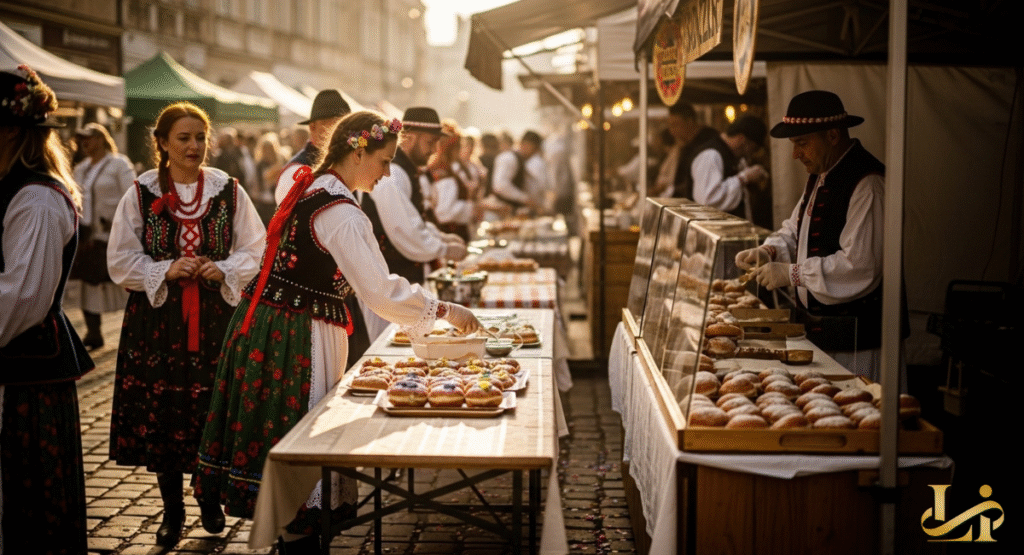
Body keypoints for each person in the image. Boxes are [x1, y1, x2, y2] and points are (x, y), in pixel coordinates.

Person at [192, 111, 484, 553]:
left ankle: (296, 533)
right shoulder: (340, 211)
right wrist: (446, 310)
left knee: (292, 442)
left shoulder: (316, 185)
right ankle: (300, 539)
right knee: (304, 440)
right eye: (384, 162)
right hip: (297, 334)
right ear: (357, 150)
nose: (388, 173)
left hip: (276, 325)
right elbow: (380, 292)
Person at [106, 101, 266, 547]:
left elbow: (256, 245)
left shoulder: (227, 190)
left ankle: (208, 494)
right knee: (166, 414)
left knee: (210, 408)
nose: (195, 146)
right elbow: (119, 259)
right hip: (158, 321)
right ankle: (172, 511)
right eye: (184, 138)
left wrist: (226, 268)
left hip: (215, 318)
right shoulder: (139, 191)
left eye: (200, 137)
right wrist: (164, 270)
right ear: (162, 143)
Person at [736, 90, 901, 380]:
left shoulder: (868, 184)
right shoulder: (822, 174)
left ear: (833, 136)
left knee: (862, 414)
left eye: (802, 143)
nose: (795, 154)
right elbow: (795, 229)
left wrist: (793, 274)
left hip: (859, 342)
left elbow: (860, 265)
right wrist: (769, 250)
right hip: (827, 336)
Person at [0, 64, 94, 555]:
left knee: (28, 500)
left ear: (12, 131)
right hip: (16, 367)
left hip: (26, 374)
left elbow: (22, 297)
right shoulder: (15, 189)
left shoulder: (35, 199)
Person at [358, 106, 467, 286]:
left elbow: (412, 219)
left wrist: (439, 236)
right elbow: (403, 229)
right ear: (409, 138)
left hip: (398, 278)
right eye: (430, 142)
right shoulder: (393, 173)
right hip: (387, 281)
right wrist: (444, 248)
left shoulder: (404, 170)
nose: (434, 150)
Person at [71, 122, 136, 349]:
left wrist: (118, 219)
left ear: (100, 138)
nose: (84, 143)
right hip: (87, 233)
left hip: (112, 232)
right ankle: (93, 331)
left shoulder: (118, 164)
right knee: (88, 280)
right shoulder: (81, 168)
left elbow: (133, 195)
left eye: (88, 138)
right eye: (82, 139)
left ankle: (133, 329)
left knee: (119, 280)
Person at [666, 102, 767, 216]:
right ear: (742, 140)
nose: (754, 152)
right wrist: (744, 178)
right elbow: (709, 200)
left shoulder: (724, 153)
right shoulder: (711, 155)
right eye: (755, 148)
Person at [275, 90, 349, 205]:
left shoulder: (345, 161)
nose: (343, 132)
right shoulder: (296, 171)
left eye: (346, 126)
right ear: (312, 127)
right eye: (335, 125)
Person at [426, 119, 477, 242]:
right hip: (451, 235)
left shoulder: (443, 170)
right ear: (452, 149)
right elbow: (444, 213)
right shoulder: (444, 174)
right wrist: (469, 204)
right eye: (458, 146)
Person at [489, 129, 544, 214]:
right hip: (497, 210)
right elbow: (500, 186)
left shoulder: (522, 161)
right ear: (526, 145)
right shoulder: (508, 158)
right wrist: (525, 199)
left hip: (511, 210)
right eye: (534, 149)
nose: (534, 153)